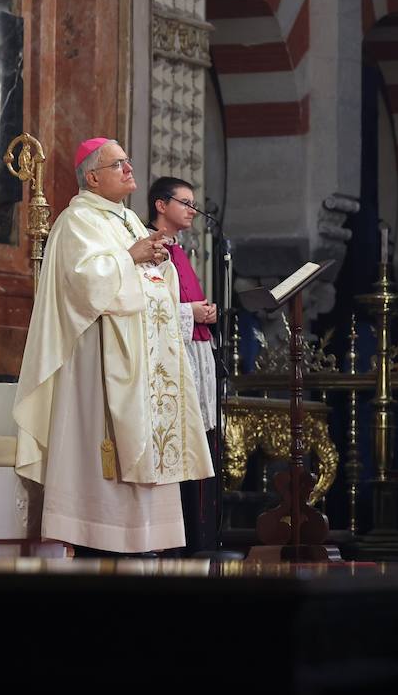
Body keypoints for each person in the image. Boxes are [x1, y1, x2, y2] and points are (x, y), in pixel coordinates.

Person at [13, 138, 213, 554]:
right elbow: (84, 284)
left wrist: (158, 263)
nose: (128, 168)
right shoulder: (77, 220)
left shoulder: (130, 222)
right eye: (118, 164)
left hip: (142, 360)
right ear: (92, 177)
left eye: (127, 161)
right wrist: (131, 258)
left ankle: (146, 538)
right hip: (99, 361)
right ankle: (98, 538)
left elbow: (154, 285)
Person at [148, 175, 221, 551]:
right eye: (185, 202)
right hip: (174, 353)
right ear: (161, 205)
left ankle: (201, 535)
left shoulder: (178, 249)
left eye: (194, 202)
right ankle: (184, 538)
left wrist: (202, 310)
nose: (192, 209)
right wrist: (192, 312)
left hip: (196, 346)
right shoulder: (152, 247)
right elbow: (147, 305)